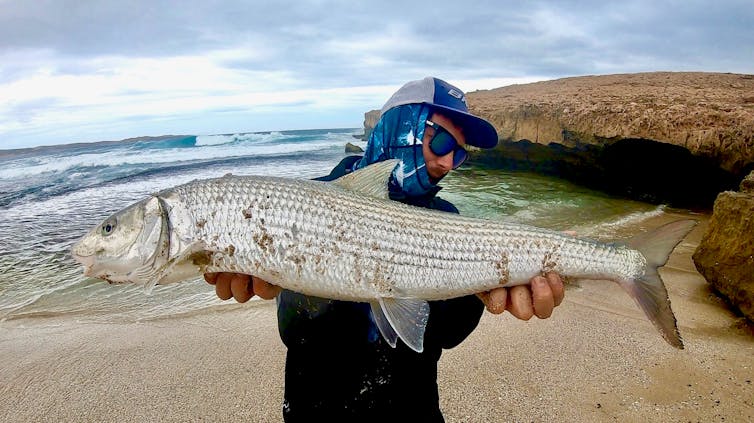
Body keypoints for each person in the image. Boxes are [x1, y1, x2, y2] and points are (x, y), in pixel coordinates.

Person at [204, 77, 565, 422]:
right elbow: (295, 332)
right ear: (399, 127)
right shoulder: (303, 203)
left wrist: (480, 290)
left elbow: (447, 336)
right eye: (440, 143)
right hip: (314, 413)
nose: (447, 164)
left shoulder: (447, 220)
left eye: (458, 155)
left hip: (413, 413)